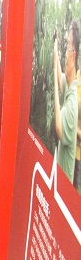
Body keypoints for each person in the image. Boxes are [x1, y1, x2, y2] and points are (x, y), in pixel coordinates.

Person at [53, 21, 79, 182]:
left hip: (64, 185)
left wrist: (55, 88)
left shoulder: (72, 102)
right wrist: (55, 49)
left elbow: (59, 129)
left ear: (74, 56)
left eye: (68, 48)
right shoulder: (69, 87)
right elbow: (59, 76)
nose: (65, 53)